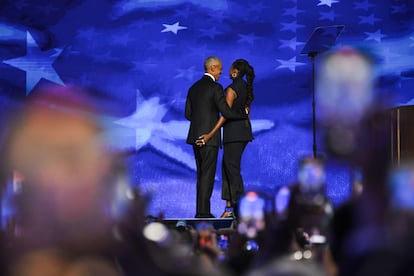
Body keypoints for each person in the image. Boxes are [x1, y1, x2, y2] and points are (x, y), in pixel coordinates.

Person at [185, 56, 247, 218]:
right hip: (209, 138)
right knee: (207, 176)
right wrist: (242, 113)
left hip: (194, 136)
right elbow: (226, 112)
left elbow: (188, 114)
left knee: (201, 175)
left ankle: (201, 211)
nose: (221, 72)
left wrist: (201, 123)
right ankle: (203, 213)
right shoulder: (216, 87)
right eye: (219, 68)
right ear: (212, 68)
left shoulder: (193, 88)